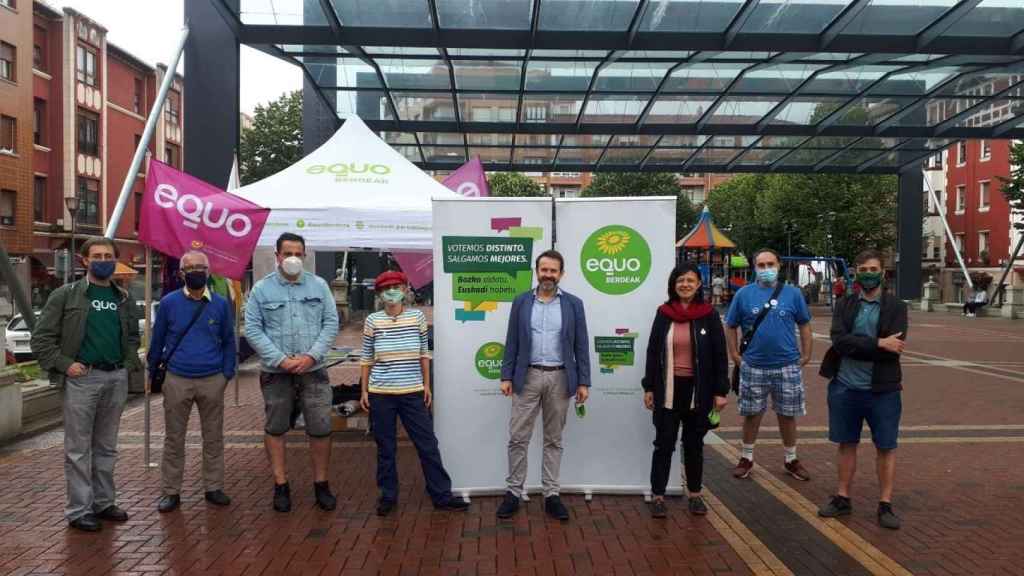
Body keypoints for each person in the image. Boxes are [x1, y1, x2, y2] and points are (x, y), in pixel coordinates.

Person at [31, 237, 142, 532]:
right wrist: (66, 364)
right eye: (97, 256)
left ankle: (104, 502)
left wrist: (129, 364)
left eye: (108, 255)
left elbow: (132, 336)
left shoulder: (124, 298)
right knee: (78, 449)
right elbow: (41, 339)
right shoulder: (66, 295)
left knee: (106, 446)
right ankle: (79, 510)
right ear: (84, 261)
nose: (103, 260)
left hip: (115, 377)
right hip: (83, 379)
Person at [359, 270, 470, 516]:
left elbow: (424, 353)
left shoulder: (417, 317)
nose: (392, 291)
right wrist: (364, 391)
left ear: (405, 290)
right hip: (381, 393)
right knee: (385, 448)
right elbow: (366, 357)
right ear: (379, 293)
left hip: (412, 393)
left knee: (427, 445)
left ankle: (441, 495)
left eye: (397, 286)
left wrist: (426, 386)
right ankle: (388, 496)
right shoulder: (372, 321)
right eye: (386, 287)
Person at [244, 232, 339, 513]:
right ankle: (280, 484)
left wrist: (311, 356)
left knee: (320, 428)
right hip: (276, 373)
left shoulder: (320, 286)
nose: (293, 258)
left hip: (315, 370)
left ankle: (321, 484)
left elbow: (331, 323)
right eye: (288, 253)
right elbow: (253, 329)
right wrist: (281, 360)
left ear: (305, 255)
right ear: (277, 256)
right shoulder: (261, 290)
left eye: (298, 253)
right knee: (275, 428)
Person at [497, 250, 591, 522]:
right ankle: (514, 492)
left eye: (553, 270)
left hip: (560, 378)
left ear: (561, 274)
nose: (548, 275)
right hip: (527, 377)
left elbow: (581, 345)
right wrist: (506, 375)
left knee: (553, 439)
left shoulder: (574, 304)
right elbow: (512, 341)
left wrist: (584, 381)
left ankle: (551, 494)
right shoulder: (521, 302)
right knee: (518, 438)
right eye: (544, 269)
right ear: (536, 271)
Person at [818, 250, 907, 530]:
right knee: (846, 444)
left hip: (883, 389)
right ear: (856, 272)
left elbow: (895, 349)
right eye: (863, 268)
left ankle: (885, 504)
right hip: (845, 386)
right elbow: (839, 342)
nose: (868, 273)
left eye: (873, 268)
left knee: (886, 446)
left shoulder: (896, 307)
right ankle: (843, 498)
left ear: (882, 272)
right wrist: (878, 343)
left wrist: (863, 344)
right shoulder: (845, 304)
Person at [149, 251, 236, 513]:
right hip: (177, 379)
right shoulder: (168, 303)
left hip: (212, 379)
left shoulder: (220, 304)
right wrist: (153, 374)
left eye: (201, 267)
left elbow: (229, 341)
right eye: (191, 267)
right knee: (174, 439)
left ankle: (214, 487)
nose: (196, 271)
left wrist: (226, 374)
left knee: (213, 437)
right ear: (181, 273)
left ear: (209, 271)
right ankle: (171, 492)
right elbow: (158, 341)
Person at [642, 263, 730, 518]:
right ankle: (657, 495)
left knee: (693, 445)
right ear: (673, 284)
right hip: (667, 390)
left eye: (690, 280)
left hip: (699, 391)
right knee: (664, 444)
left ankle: (694, 494)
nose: (685, 285)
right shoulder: (664, 313)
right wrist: (649, 386)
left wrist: (720, 390)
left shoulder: (708, 314)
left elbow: (719, 355)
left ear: (699, 284)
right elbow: (652, 350)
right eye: (680, 280)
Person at [725, 248, 813, 481]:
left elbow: (804, 324)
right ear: (754, 268)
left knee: (788, 414)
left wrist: (807, 354)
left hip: (787, 365)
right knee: (752, 414)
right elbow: (730, 325)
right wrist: (734, 354)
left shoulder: (793, 294)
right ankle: (746, 457)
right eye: (761, 265)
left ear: (779, 265)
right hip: (753, 365)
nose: (766, 269)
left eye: (770, 264)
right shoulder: (744, 294)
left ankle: (791, 459)